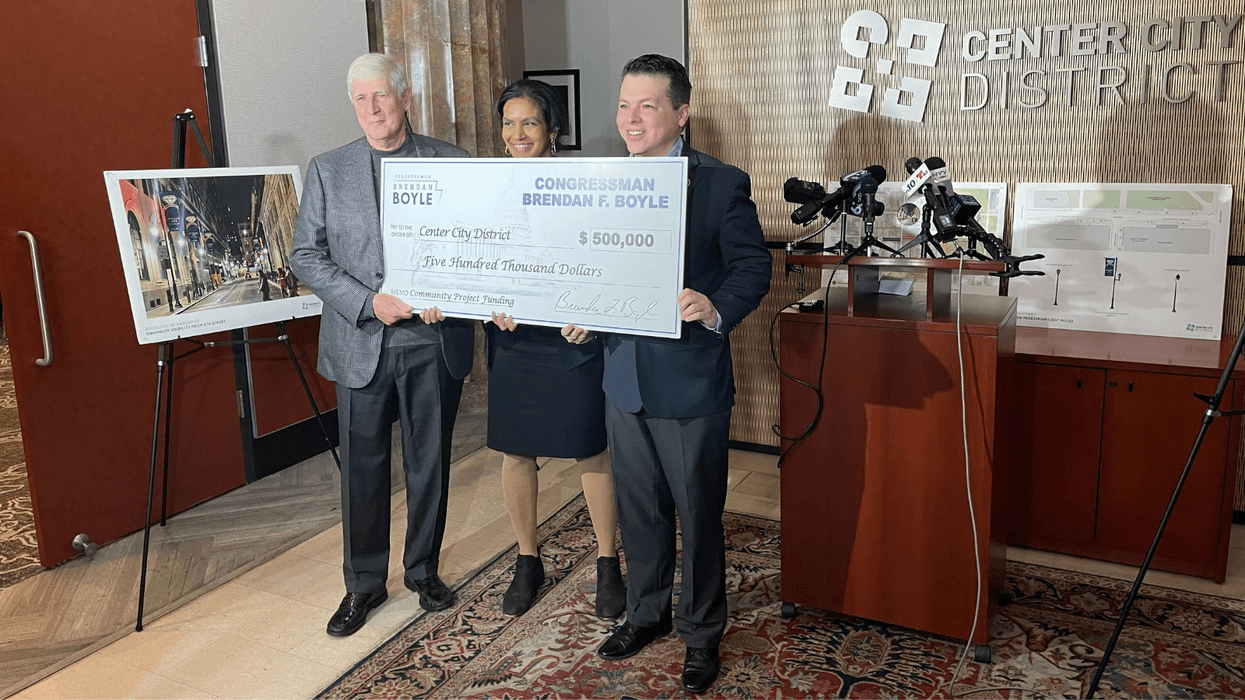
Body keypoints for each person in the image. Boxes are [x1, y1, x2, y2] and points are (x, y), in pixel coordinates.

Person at [565, 54, 770, 694]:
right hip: (622, 377)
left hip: (689, 382)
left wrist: (716, 307)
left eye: (647, 105)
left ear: (681, 113)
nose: (631, 119)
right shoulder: (601, 183)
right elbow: (592, 269)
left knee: (699, 512)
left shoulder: (719, 184)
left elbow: (751, 269)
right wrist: (583, 315)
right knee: (640, 512)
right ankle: (647, 614)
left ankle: (702, 633)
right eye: (624, 105)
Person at [290, 52, 474, 638]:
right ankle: (363, 586)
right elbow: (305, 256)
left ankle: (422, 570)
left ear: (406, 98)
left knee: (430, 464)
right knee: (362, 471)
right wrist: (369, 302)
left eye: (382, 97)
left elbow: (475, 242)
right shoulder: (327, 169)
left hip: (432, 340)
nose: (372, 109)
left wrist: (460, 290)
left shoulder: (453, 162)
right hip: (361, 339)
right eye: (360, 100)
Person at [485, 79, 625, 619]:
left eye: (530, 123)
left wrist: (592, 313)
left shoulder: (587, 184)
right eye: (508, 123)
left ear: (553, 132)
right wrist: (485, 302)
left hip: (571, 335)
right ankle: (528, 559)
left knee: (589, 446)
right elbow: (472, 259)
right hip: (514, 336)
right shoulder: (486, 190)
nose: (517, 133)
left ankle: (609, 561)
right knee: (516, 450)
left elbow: (604, 258)